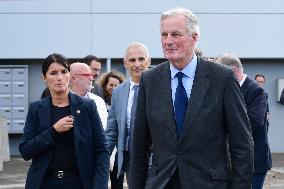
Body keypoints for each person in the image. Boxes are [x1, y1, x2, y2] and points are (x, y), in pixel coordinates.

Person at [129, 7, 253, 189]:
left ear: (194, 37)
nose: (168, 41)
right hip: (161, 183)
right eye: (164, 35)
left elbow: (242, 144)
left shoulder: (222, 78)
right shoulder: (150, 79)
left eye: (175, 34)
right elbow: (139, 145)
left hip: (209, 184)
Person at [19, 53, 109, 189]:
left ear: (69, 75)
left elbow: (101, 149)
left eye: (64, 72)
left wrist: (100, 186)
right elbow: (26, 151)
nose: (59, 78)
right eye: (53, 73)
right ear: (44, 78)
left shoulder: (87, 106)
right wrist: (53, 131)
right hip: (45, 183)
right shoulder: (36, 109)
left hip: (79, 182)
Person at [217, 54, 272, 189]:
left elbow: (255, 121)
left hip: (254, 161)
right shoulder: (229, 88)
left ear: (232, 70)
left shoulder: (256, 90)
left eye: (219, 72)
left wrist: (225, 124)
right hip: (233, 160)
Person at [106, 42, 151, 188]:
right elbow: (112, 131)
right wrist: (102, 156)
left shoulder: (160, 87)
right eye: (132, 60)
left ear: (148, 61)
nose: (137, 64)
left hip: (155, 157)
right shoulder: (118, 92)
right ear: (125, 64)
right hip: (129, 157)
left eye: (141, 59)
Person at [69, 62, 108, 129]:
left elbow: (104, 129)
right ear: (73, 78)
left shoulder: (98, 100)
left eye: (91, 75)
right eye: (86, 75)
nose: (91, 78)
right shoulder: (62, 100)